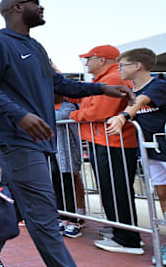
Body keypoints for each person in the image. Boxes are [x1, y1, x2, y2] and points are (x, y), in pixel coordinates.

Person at [0, 0, 134, 266]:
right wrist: (20, 115)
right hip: (15, 139)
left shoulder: (36, 48)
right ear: (17, 7)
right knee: (44, 214)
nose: (42, 7)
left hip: (37, 141)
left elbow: (59, 85)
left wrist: (104, 88)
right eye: (36, 2)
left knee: (16, 207)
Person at [68, 45, 140, 252]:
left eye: (89, 58)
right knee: (111, 189)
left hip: (112, 143)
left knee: (116, 189)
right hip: (106, 142)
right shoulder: (105, 80)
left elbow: (97, 113)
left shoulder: (112, 79)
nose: (86, 62)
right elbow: (86, 102)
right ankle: (121, 230)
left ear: (101, 60)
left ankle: (127, 238)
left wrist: (72, 116)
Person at [106, 48, 166, 260]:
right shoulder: (131, 90)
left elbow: (141, 102)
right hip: (154, 152)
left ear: (137, 66)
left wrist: (123, 117)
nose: (119, 69)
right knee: (162, 196)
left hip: (164, 148)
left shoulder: (158, 85)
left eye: (122, 65)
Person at [51, 94, 86, 238]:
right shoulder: (46, 106)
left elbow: (57, 118)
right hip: (52, 152)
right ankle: (63, 216)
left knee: (69, 185)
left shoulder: (68, 107)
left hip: (67, 152)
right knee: (57, 185)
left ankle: (74, 220)